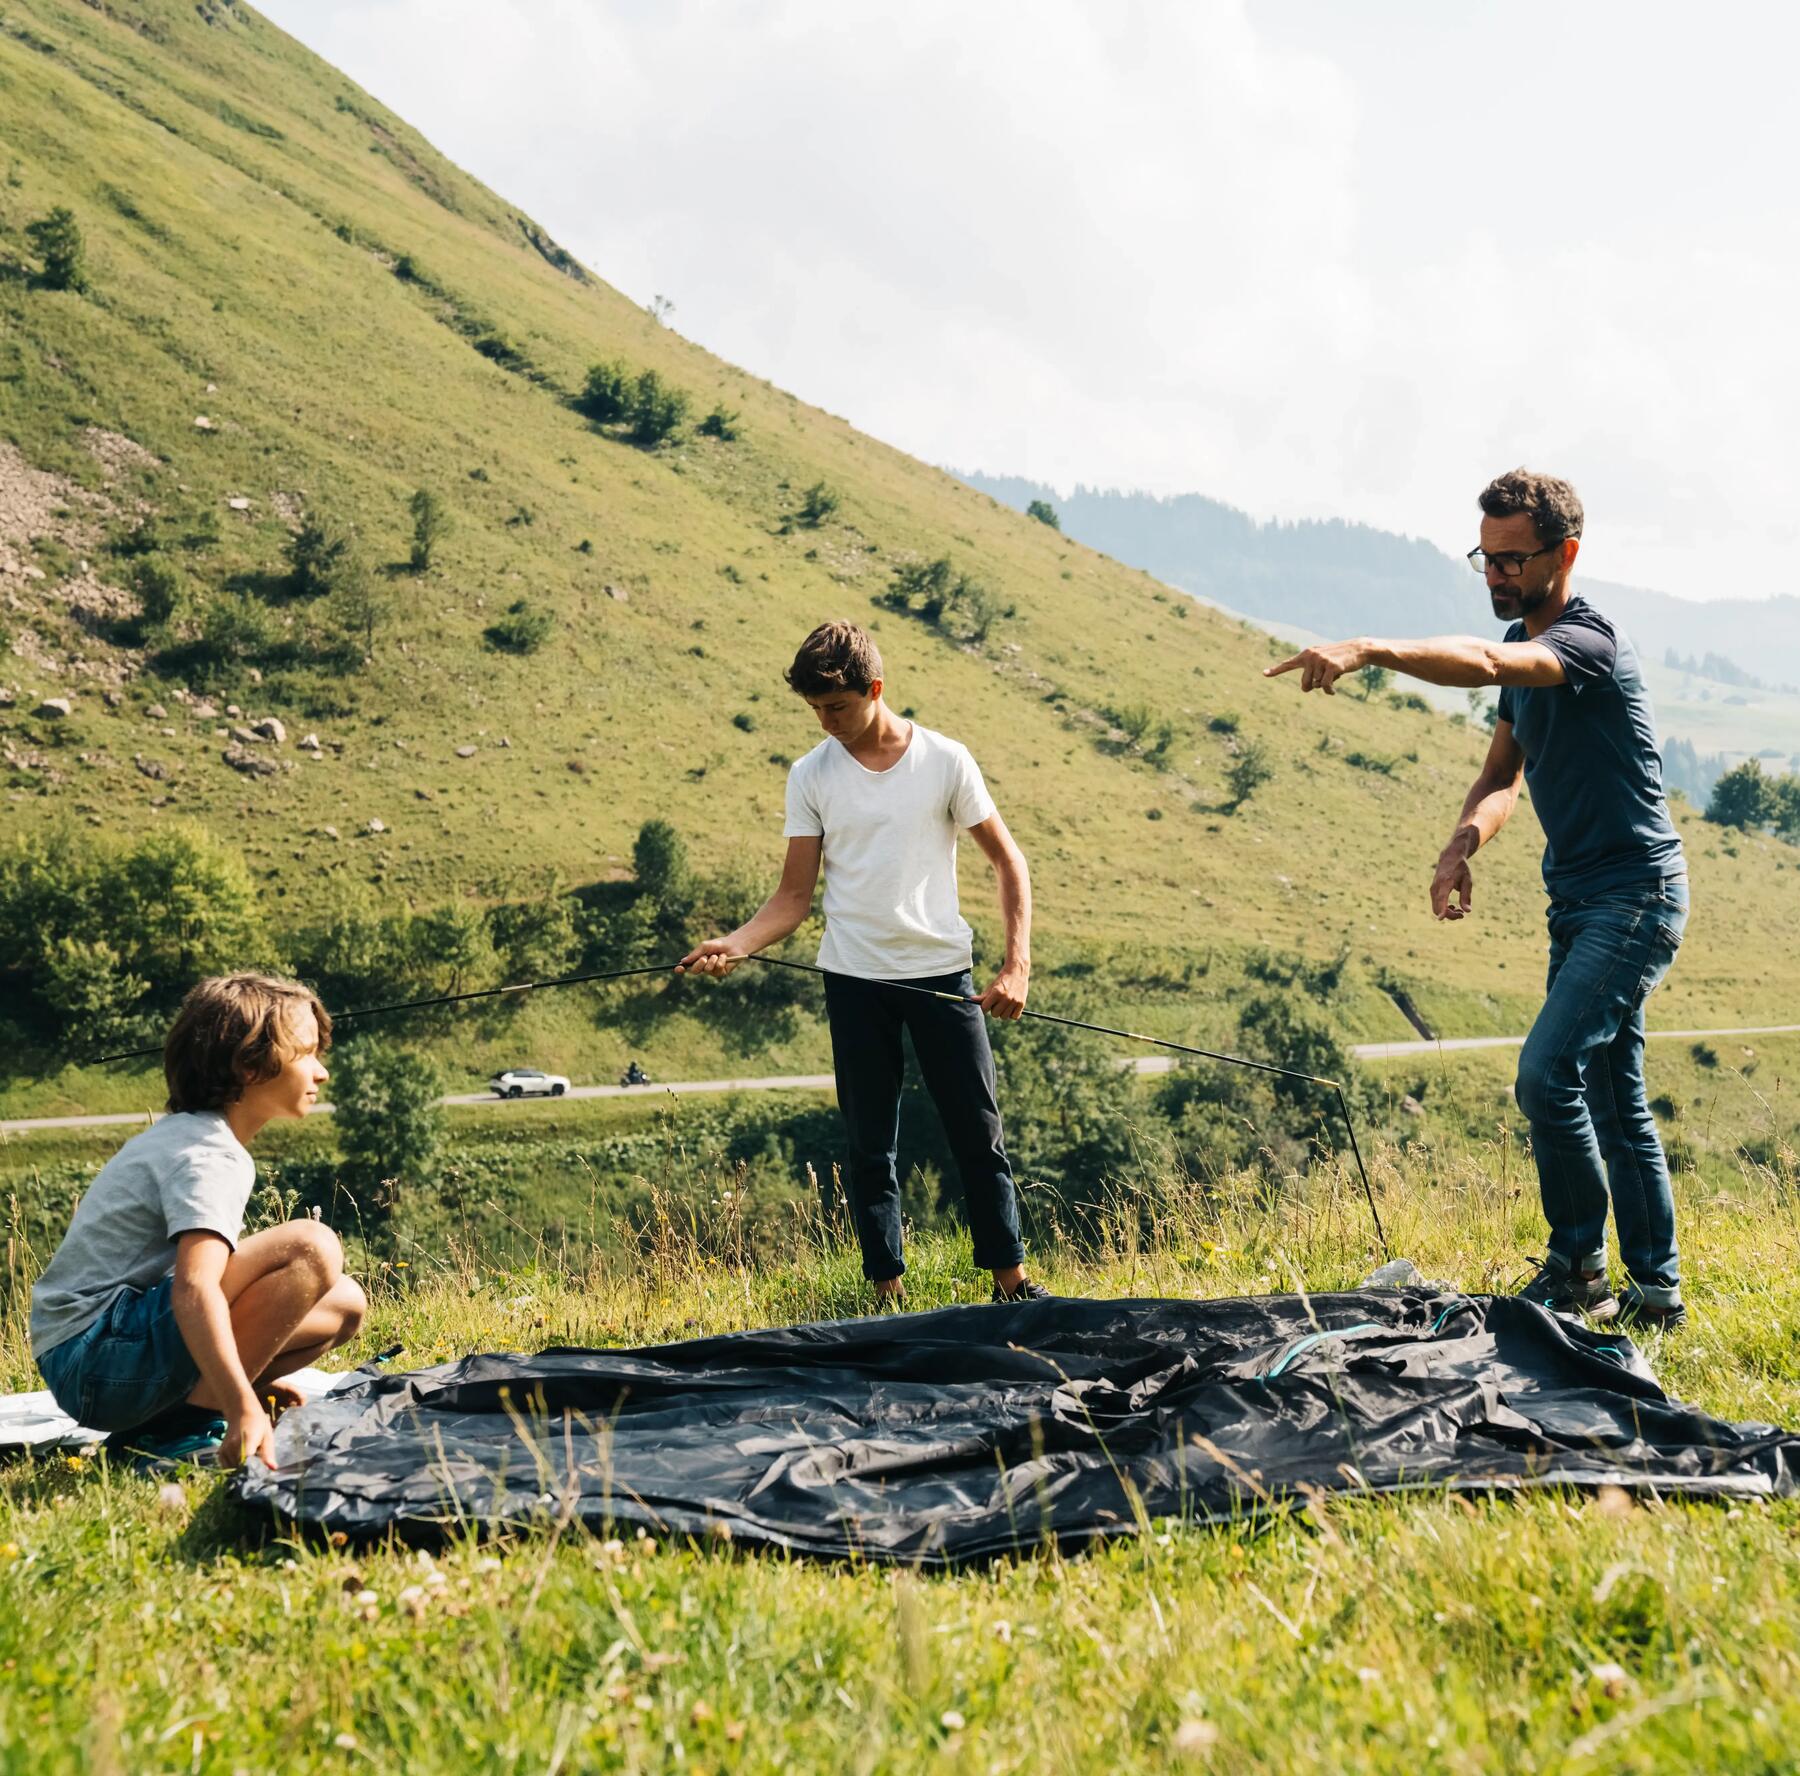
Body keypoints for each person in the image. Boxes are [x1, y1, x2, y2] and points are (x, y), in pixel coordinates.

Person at [1263, 468, 1689, 1327]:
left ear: (1563, 555)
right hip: (1576, 900)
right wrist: (1463, 843)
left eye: (1512, 561)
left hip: (1635, 893)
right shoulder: (1527, 669)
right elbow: (1501, 775)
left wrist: (1370, 648)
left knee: (1545, 1075)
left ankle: (1577, 1267)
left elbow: (1493, 657)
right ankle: (1656, 1292)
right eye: (1484, 559)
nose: (1495, 575)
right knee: (1612, 1093)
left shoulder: (1584, 645)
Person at [678, 620, 1048, 1307]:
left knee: (977, 1133)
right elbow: (792, 897)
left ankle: (1013, 1284)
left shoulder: (944, 760)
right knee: (870, 1149)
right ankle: (887, 1295)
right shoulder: (811, 774)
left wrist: (1016, 965)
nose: (826, 721)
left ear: (875, 689)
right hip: (853, 979)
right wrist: (736, 943)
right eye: (815, 710)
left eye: (838, 707)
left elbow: (1008, 861)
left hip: (942, 976)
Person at [31, 974, 367, 1466]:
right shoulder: (207, 1153)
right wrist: (241, 1403)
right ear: (250, 1066)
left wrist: (257, 1381)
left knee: (344, 1302)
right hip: (94, 1359)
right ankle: (185, 1429)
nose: (321, 1073)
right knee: (311, 1246)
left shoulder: (199, 1137)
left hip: (97, 1358)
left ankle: (158, 1428)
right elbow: (194, 1288)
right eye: (308, 1053)